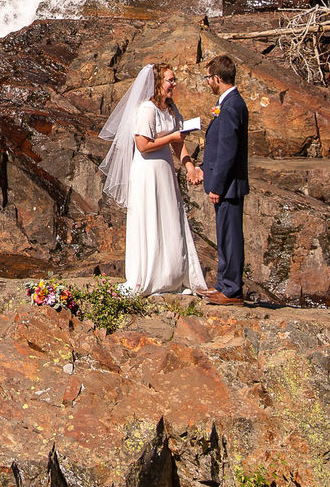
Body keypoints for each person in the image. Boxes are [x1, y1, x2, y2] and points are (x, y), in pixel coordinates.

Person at [96, 63, 208, 296]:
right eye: (170, 80)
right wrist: (172, 137)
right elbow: (143, 145)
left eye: (174, 80)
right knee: (151, 218)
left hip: (165, 170)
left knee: (170, 217)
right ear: (158, 83)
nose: (174, 84)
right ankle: (150, 276)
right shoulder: (147, 109)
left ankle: (173, 274)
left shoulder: (171, 109)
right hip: (147, 172)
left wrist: (189, 167)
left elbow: (179, 142)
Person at [188, 54, 249, 305]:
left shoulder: (232, 105)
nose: (207, 83)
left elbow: (228, 151)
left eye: (208, 78)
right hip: (224, 183)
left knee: (231, 237)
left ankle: (232, 289)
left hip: (229, 186)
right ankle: (224, 284)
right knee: (224, 236)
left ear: (217, 78)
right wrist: (203, 168)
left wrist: (217, 185)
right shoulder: (227, 103)